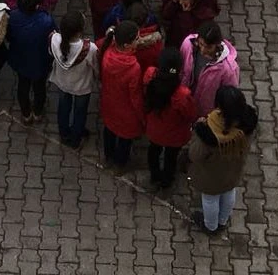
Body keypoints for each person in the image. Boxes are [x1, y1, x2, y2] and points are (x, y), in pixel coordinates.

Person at [187, 85, 258, 234]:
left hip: (212, 175)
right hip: (233, 169)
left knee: (210, 199)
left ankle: (210, 226)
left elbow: (195, 155)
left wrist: (197, 131)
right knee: (229, 192)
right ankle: (222, 220)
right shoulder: (248, 124)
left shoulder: (208, 133)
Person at [143, 48, 198, 190]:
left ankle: (154, 175)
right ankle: (167, 180)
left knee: (153, 151)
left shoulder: (150, 76)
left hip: (154, 130)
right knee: (170, 157)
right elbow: (190, 115)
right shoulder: (182, 95)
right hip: (174, 136)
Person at [49, 10, 99, 149]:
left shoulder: (54, 40)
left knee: (63, 108)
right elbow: (95, 66)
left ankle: (64, 133)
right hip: (82, 87)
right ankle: (76, 138)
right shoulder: (90, 48)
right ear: (80, 30)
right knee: (80, 112)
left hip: (62, 82)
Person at [99, 20, 144, 169]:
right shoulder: (133, 68)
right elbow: (135, 96)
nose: (140, 40)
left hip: (109, 104)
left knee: (109, 132)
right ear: (127, 45)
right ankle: (119, 164)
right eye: (137, 39)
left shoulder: (107, 53)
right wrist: (141, 116)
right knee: (125, 140)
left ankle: (108, 157)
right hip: (127, 112)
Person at [7, 0, 55, 125]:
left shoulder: (13, 17)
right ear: (37, 5)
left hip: (21, 60)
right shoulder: (46, 21)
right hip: (41, 61)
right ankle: (38, 112)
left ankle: (26, 114)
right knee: (39, 88)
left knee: (23, 86)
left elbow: (9, 37)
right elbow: (53, 38)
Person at [179, 22, 240, 114]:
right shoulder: (188, 45)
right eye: (201, 44)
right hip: (184, 100)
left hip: (205, 112)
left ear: (217, 44)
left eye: (208, 47)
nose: (203, 50)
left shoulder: (228, 69)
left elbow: (228, 98)